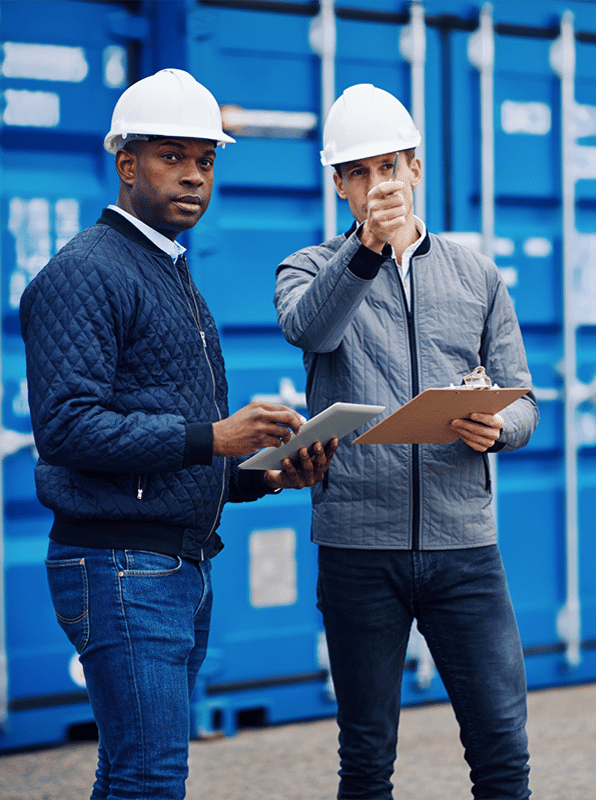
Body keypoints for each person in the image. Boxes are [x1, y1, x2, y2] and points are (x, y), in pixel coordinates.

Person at [19, 69, 336, 800]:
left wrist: (266, 472)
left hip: (173, 565)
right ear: (127, 163)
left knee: (136, 774)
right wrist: (214, 438)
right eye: (173, 157)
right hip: (121, 565)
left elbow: (185, 446)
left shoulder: (166, 270)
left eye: (207, 159)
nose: (194, 176)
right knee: (149, 778)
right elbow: (67, 427)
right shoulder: (87, 273)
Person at [274, 83, 539, 800]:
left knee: (502, 750)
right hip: (359, 548)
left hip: (466, 551)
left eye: (388, 167)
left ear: (415, 169)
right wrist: (363, 252)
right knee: (365, 758)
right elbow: (312, 331)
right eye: (357, 173)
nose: (375, 186)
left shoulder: (476, 273)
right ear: (338, 185)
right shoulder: (305, 269)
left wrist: (499, 427)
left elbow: (524, 397)